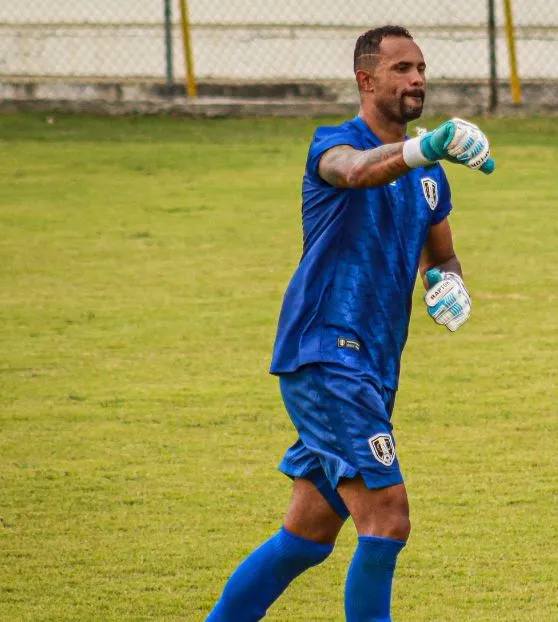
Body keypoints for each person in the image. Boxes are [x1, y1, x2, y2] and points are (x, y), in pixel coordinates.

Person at [207, 25, 494, 622]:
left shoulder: (429, 175)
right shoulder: (332, 145)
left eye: (421, 68)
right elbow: (360, 170)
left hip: (372, 365)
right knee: (388, 517)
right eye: (401, 69)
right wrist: (425, 147)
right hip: (327, 355)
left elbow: (440, 253)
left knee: (306, 538)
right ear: (366, 80)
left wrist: (447, 282)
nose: (417, 79)